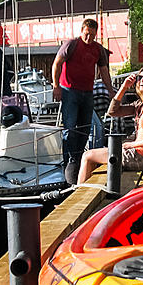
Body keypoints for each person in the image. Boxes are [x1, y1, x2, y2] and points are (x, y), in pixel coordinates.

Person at [50, 18, 116, 182]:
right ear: (82, 31)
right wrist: (56, 86)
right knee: (70, 128)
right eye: (87, 34)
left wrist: (110, 90)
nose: (89, 38)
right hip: (69, 90)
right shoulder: (71, 45)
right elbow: (57, 64)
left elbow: (104, 70)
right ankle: (69, 161)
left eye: (92, 35)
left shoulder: (98, 50)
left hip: (87, 92)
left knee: (85, 129)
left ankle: (78, 159)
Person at [77, 67, 143, 184]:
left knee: (87, 155)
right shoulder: (140, 104)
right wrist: (124, 87)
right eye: (139, 78)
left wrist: (132, 144)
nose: (142, 81)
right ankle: (86, 190)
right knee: (93, 158)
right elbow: (113, 112)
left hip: (141, 157)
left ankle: (78, 191)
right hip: (136, 153)